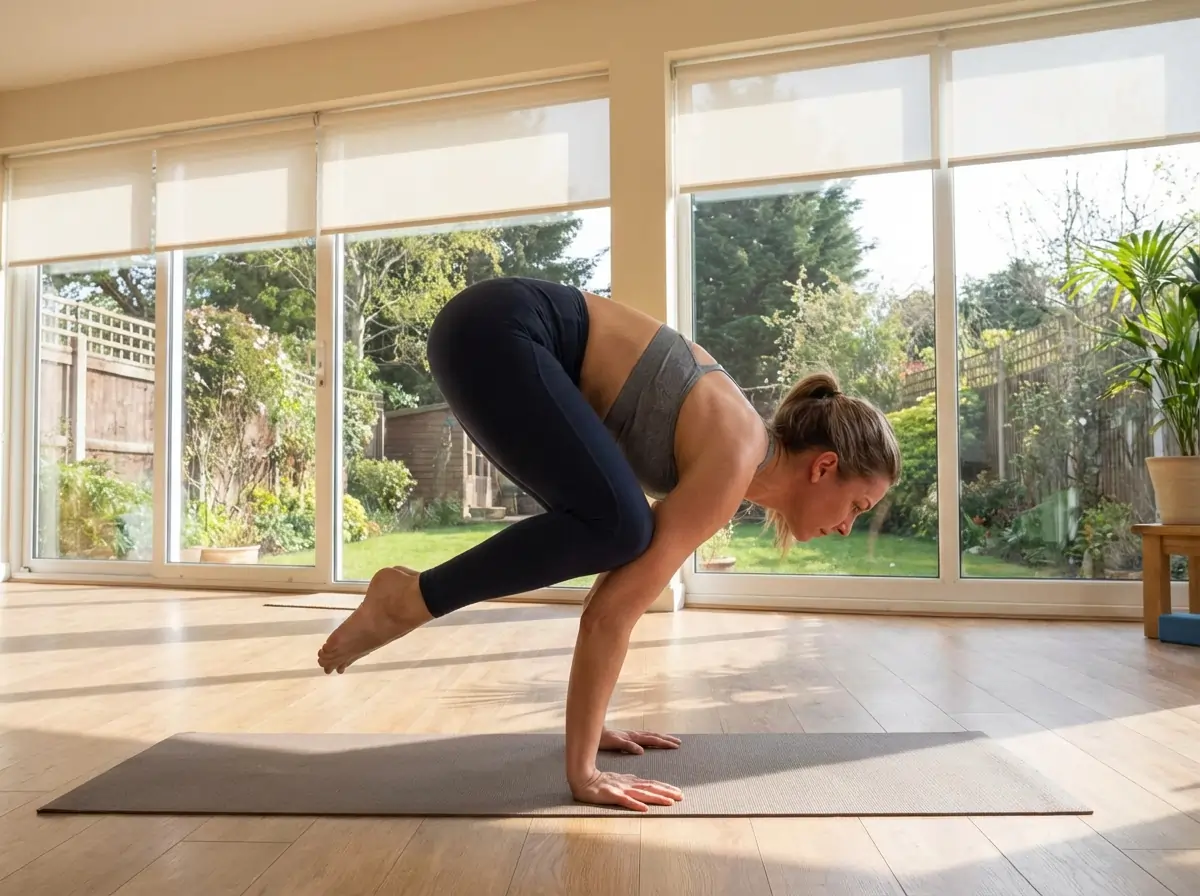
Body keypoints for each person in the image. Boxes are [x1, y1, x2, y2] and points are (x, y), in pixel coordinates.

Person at [317, 276, 901, 811]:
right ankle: (407, 598)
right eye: (857, 506)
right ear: (824, 467)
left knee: (618, 525)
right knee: (621, 525)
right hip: (499, 331)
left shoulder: (735, 455)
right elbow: (610, 615)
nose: (849, 525)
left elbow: (613, 593)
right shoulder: (735, 454)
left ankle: (410, 597)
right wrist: (585, 774)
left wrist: (593, 730)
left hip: (487, 333)